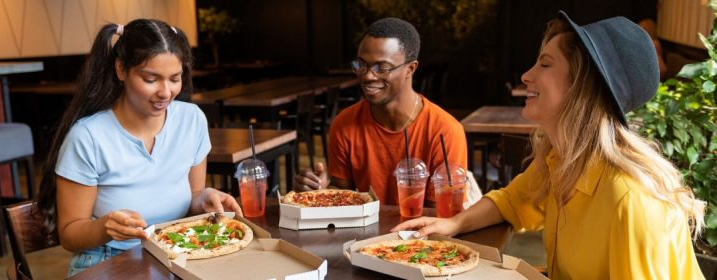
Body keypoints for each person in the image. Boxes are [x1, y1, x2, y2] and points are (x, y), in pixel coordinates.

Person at [393, 11, 706, 279]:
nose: (527, 76)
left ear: (580, 86)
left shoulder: (630, 200)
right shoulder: (562, 160)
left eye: (544, 65)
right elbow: (512, 201)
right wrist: (453, 223)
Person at [34, 19, 243, 276]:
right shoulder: (87, 136)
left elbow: (193, 197)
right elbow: (69, 234)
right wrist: (104, 228)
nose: (166, 92)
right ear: (121, 69)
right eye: (150, 79)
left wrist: (205, 198)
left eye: (175, 79)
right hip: (106, 260)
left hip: (175, 252)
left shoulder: (192, 119)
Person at [293, 17, 475, 206]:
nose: (368, 76)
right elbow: (343, 190)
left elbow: (439, 214)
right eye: (361, 65)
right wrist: (323, 191)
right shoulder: (344, 123)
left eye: (381, 68)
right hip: (364, 232)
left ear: (410, 69)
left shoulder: (445, 131)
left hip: (421, 233)